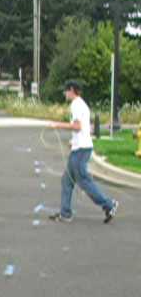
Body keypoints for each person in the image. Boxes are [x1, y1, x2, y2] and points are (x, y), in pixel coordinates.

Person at [49, 80, 119, 223]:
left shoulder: (76, 105)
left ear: (72, 90)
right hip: (79, 147)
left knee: (85, 182)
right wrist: (73, 141)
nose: (65, 93)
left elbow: (77, 126)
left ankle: (109, 204)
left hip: (81, 150)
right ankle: (65, 213)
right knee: (67, 181)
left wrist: (57, 124)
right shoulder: (81, 104)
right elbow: (85, 128)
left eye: (66, 90)